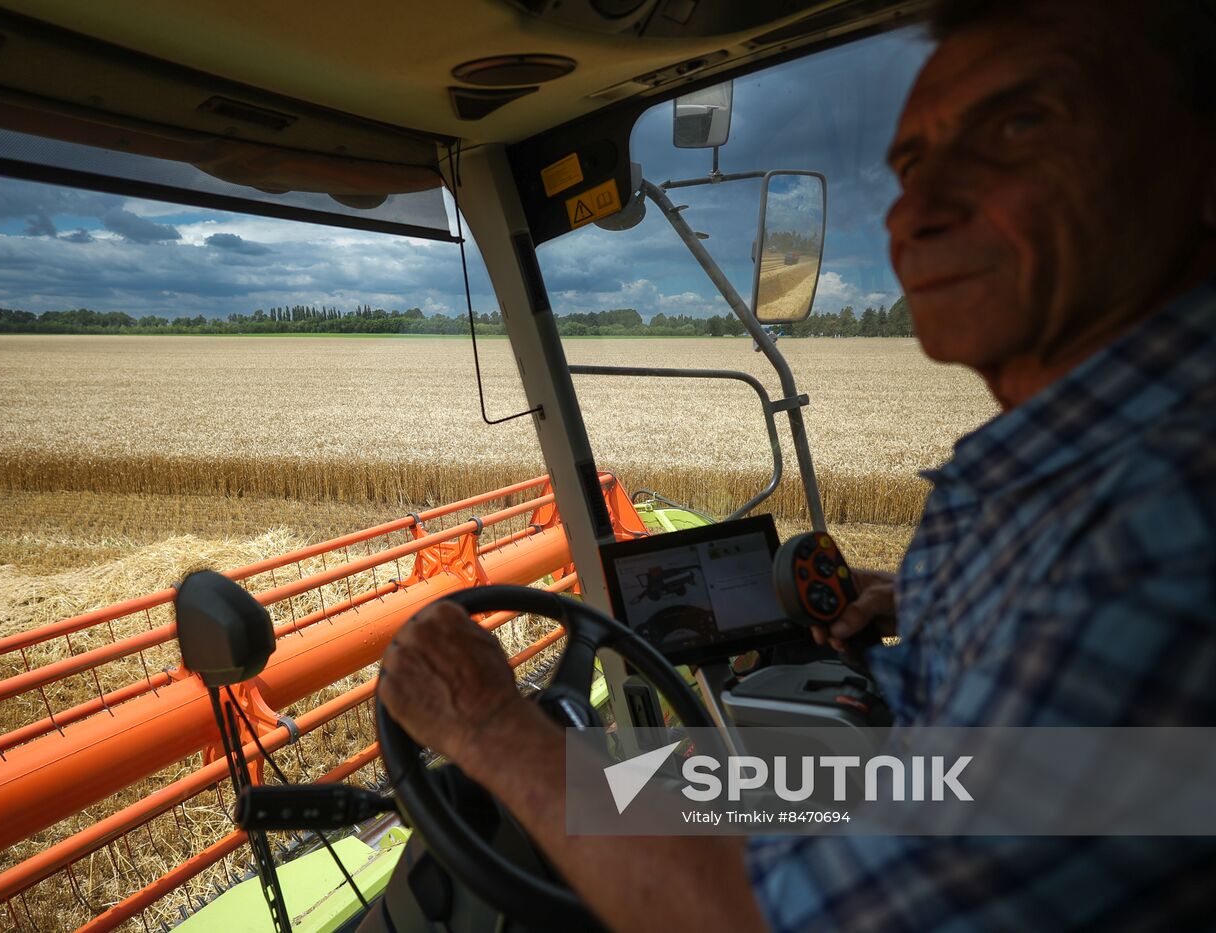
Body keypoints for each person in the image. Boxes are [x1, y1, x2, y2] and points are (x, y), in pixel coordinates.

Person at [378, 1, 1216, 929]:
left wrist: (492, 730)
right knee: (658, 780)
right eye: (910, 163)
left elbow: (769, 919)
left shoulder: (1167, 528)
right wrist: (924, 602)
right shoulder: (1086, 479)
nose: (916, 210)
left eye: (1018, 125)